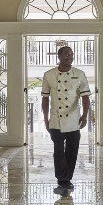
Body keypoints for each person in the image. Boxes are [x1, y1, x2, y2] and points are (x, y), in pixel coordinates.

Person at [41, 46, 91, 194]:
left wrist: (85, 115)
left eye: (72, 54)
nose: (70, 57)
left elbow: (86, 97)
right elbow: (45, 98)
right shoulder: (49, 75)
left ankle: (67, 179)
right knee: (58, 151)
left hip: (74, 119)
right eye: (67, 54)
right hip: (56, 118)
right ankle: (62, 180)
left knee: (72, 150)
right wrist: (46, 119)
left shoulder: (80, 74)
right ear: (60, 57)